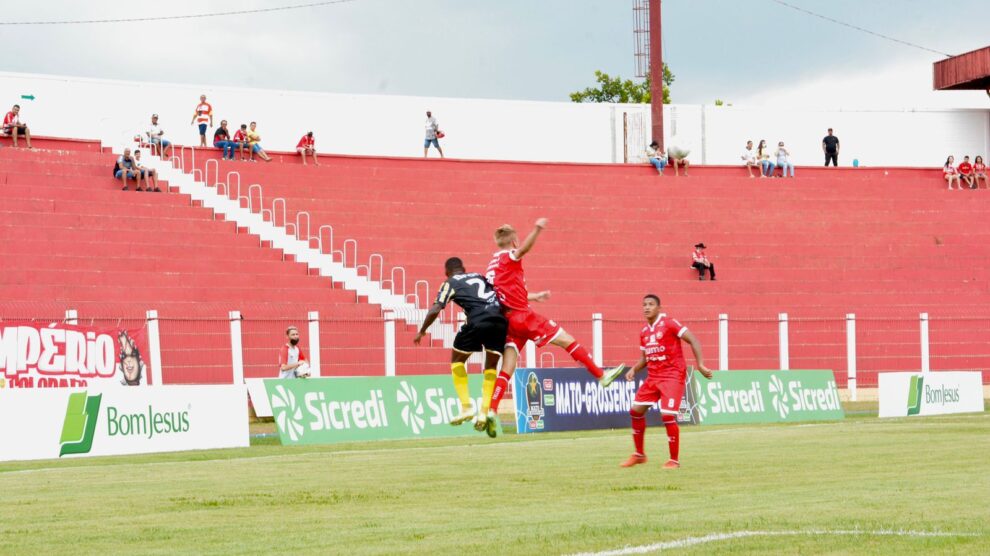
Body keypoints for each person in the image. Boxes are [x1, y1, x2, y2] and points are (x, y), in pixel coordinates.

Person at [480, 218, 626, 432]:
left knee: (507, 368)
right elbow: (523, 250)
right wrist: (537, 229)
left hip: (507, 322)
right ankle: (601, 375)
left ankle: (491, 410)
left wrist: (534, 296)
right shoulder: (509, 257)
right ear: (513, 241)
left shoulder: (491, 268)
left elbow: (504, 293)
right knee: (566, 339)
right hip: (523, 318)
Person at [414, 257, 506, 435]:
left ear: (446, 272)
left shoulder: (450, 282)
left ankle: (466, 407)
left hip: (478, 320)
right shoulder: (479, 276)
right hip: (499, 321)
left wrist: (422, 330)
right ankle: (484, 413)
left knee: (457, 360)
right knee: (491, 366)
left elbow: (436, 308)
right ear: (464, 269)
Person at [620, 294, 712, 469]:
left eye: (651, 304)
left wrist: (700, 364)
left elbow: (693, 339)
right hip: (654, 377)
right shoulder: (644, 332)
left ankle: (673, 460)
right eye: (644, 305)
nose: (646, 307)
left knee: (668, 415)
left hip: (672, 375)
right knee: (635, 411)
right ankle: (639, 454)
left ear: (659, 308)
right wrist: (633, 369)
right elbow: (645, 358)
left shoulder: (669, 323)